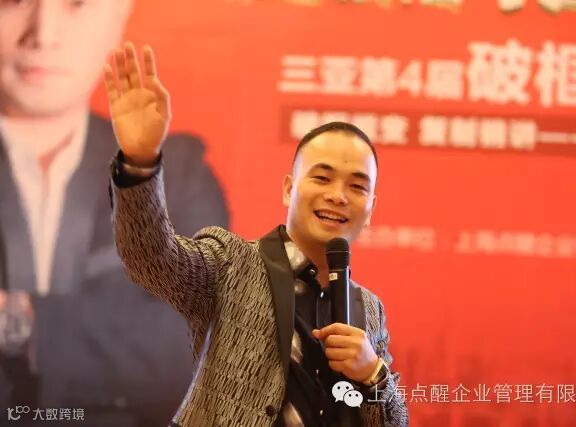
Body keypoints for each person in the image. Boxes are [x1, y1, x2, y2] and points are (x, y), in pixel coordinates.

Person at [106, 43, 409, 426]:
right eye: (322, 177)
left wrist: (373, 374)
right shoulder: (231, 262)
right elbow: (151, 258)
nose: (338, 195)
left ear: (371, 208)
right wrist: (140, 163)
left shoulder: (369, 309)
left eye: (357, 186)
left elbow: (393, 422)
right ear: (288, 189)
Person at [0, 1, 229, 425]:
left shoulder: (177, 174)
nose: (43, 35)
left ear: (118, 17)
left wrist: (23, 320)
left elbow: (194, 348)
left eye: (76, 3)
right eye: (14, 1)